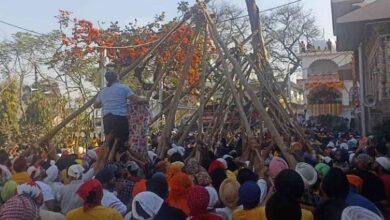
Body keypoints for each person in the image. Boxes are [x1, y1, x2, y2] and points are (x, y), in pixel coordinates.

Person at [94, 71, 148, 151]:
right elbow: (137, 100)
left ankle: (110, 161)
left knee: (110, 143)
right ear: (117, 78)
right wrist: (145, 99)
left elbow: (95, 105)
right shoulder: (123, 88)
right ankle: (120, 161)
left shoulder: (103, 91)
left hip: (107, 119)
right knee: (122, 143)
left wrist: (106, 103)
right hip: (120, 119)